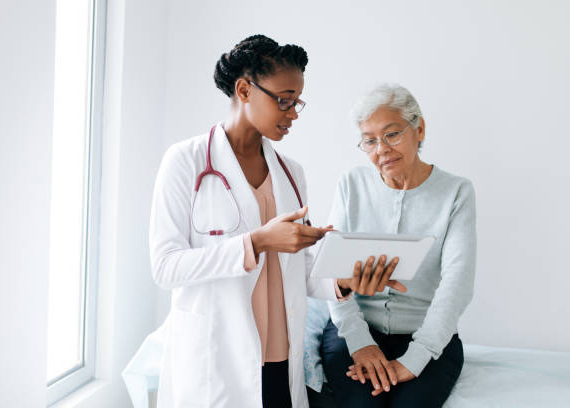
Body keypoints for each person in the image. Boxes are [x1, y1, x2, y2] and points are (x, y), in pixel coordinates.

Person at [129, 36, 405, 408]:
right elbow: (166, 267)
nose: (292, 114)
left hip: (279, 356)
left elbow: (297, 270)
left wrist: (343, 279)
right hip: (217, 358)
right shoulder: (186, 161)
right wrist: (255, 242)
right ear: (244, 89)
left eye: (297, 103)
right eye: (284, 100)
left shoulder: (292, 173)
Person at [319, 84, 476, 408]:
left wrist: (416, 358)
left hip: (429, 336)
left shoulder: (457, 192)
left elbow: (457, 283)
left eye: (392, 134)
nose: (382, 149)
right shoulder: (351, 184)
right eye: (370, 140)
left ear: (419, 129)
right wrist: (361, 343)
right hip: (354, 330)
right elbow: (331, 273)